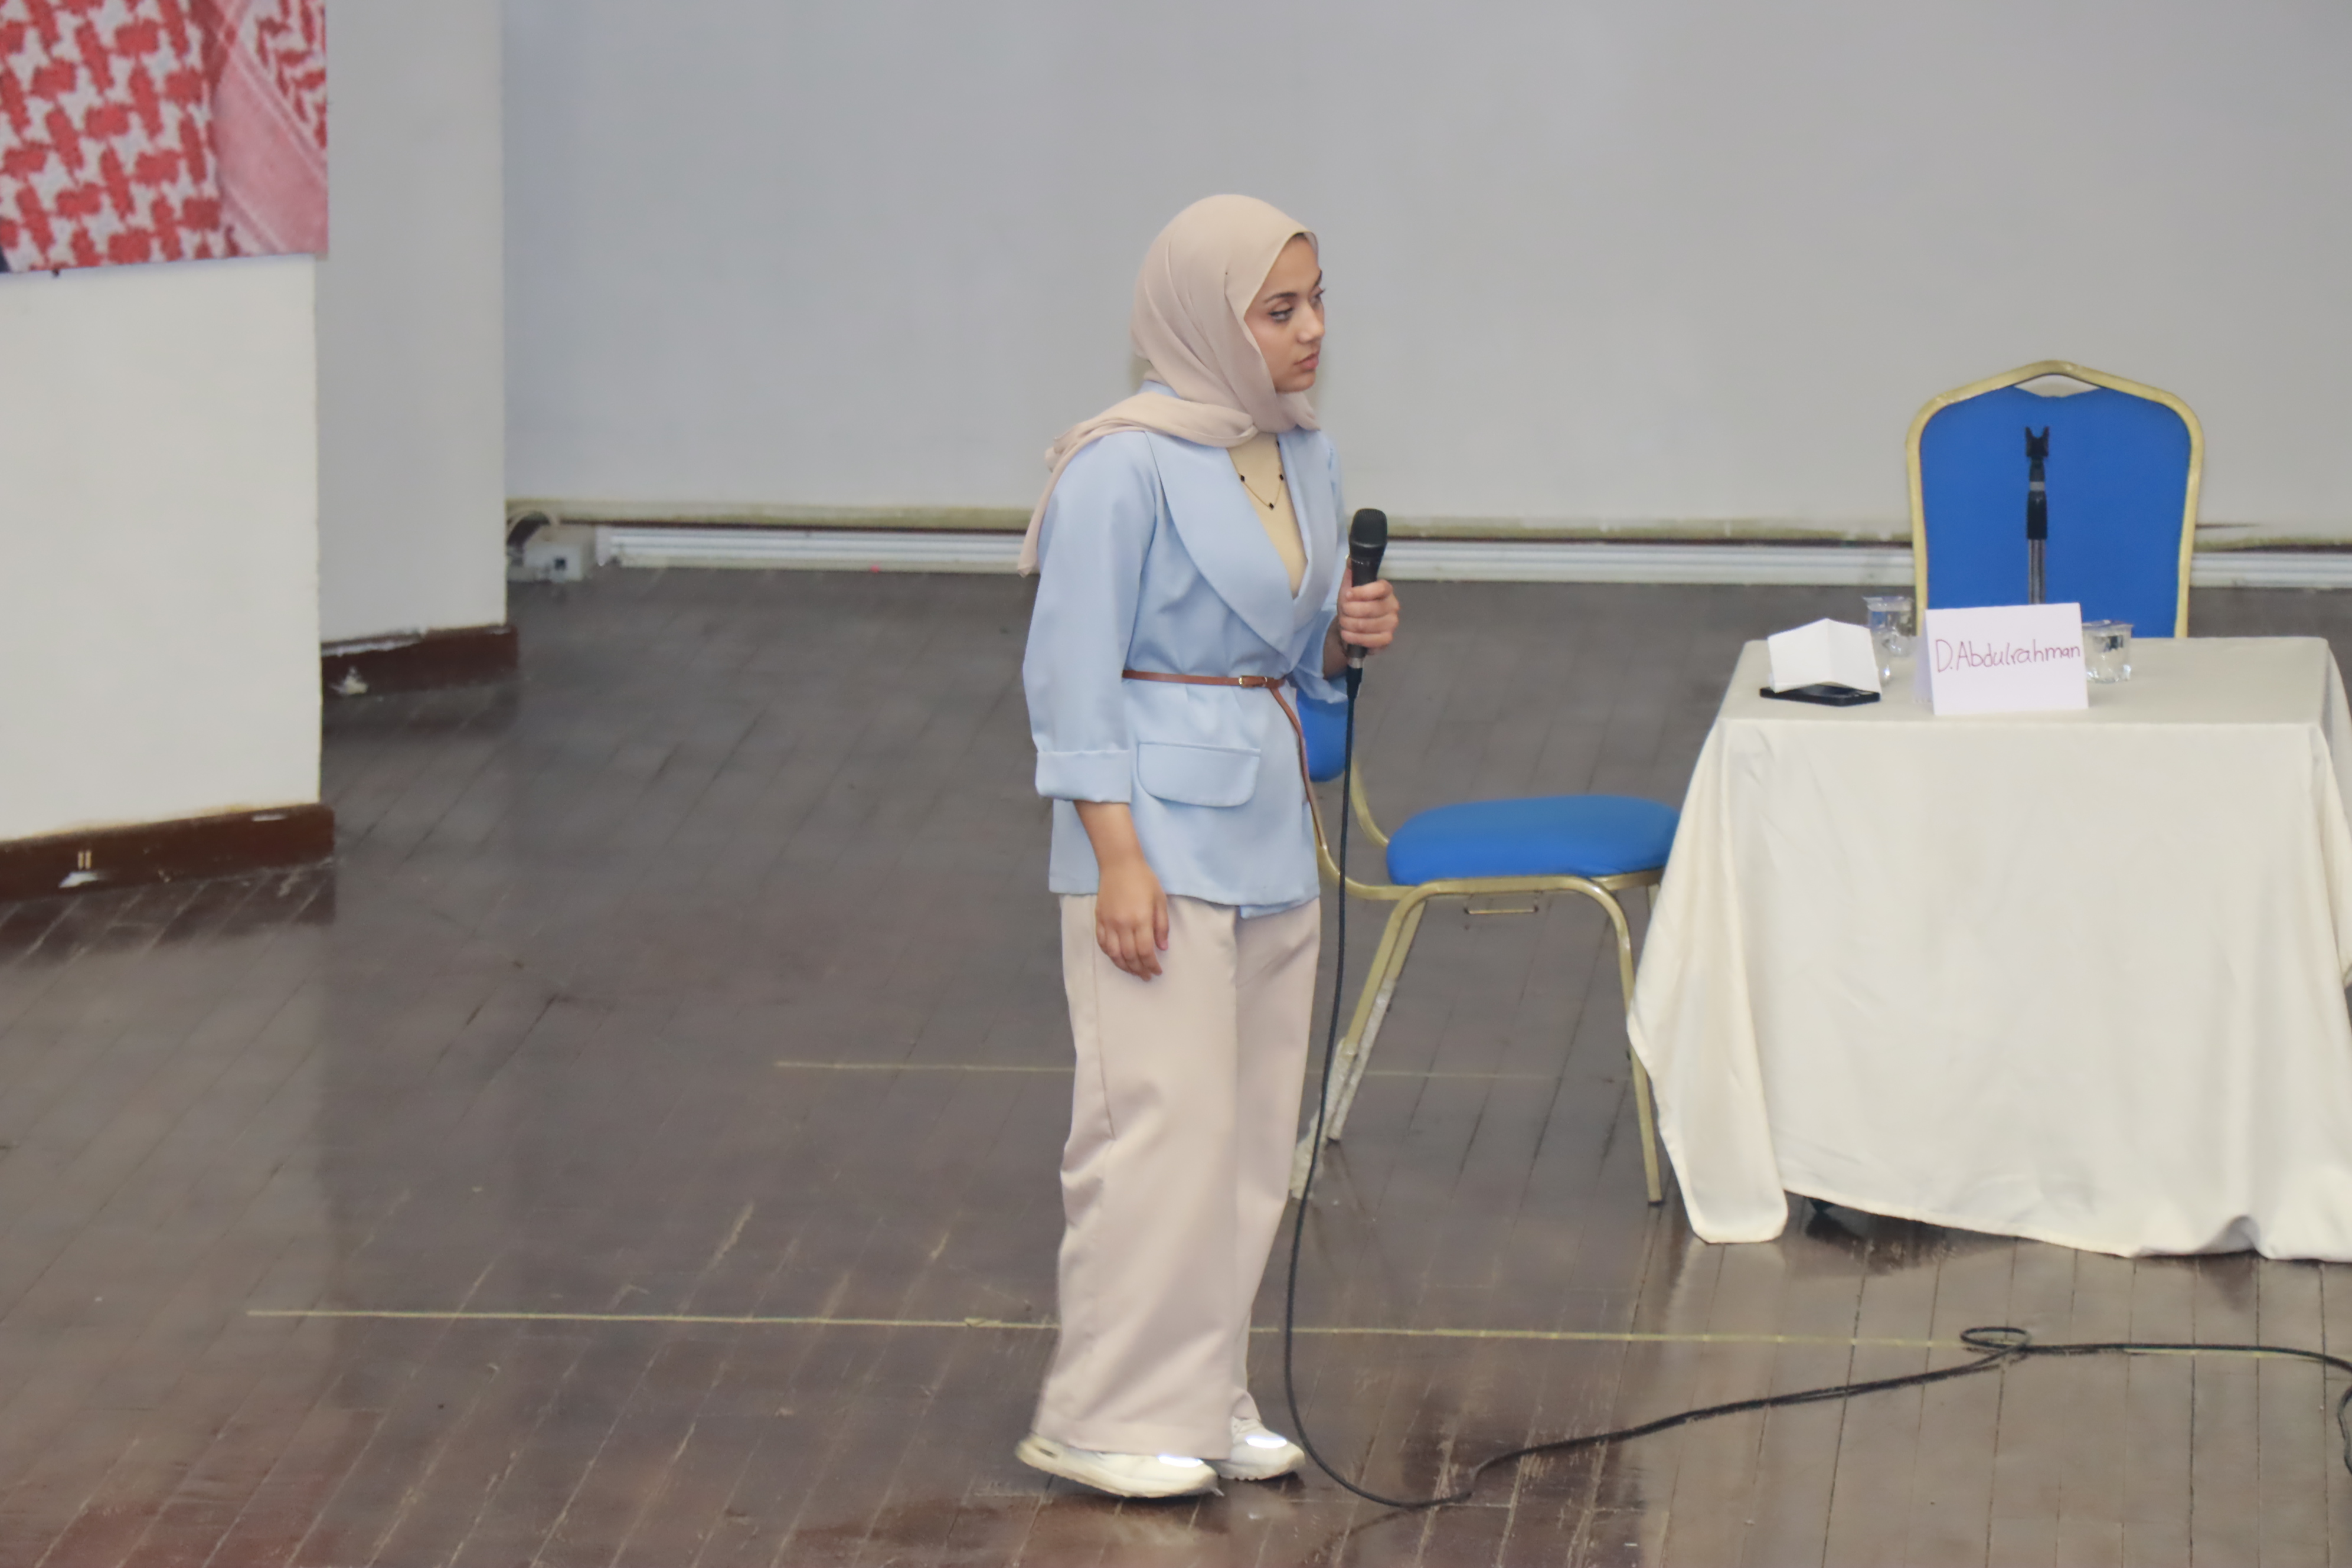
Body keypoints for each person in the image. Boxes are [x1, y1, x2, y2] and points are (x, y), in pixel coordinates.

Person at [1014, 194, 1402, 1499]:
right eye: (1278, 309)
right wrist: (1116, 857)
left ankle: (1200, 1392)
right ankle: (1104, 1412)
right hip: (1154, 833)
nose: (1311, 329)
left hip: (1268, 816)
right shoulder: (1116, 468)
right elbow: (1069, 676)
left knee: (1246, 1135)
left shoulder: (1306, 453)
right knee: (1157, 1129)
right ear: (1202, 318)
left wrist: (1341, 638)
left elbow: (1288, 657)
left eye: (1316, 300)